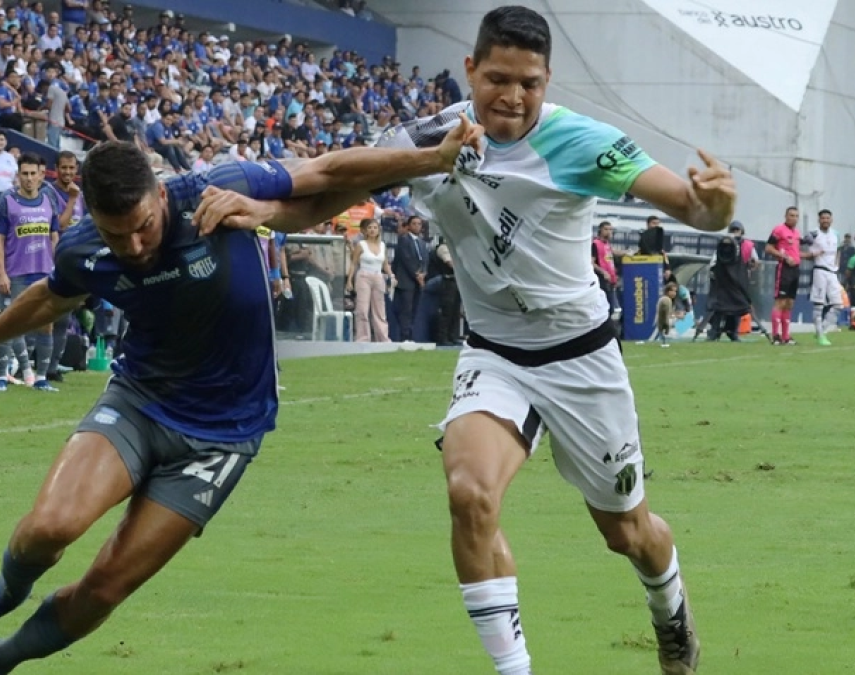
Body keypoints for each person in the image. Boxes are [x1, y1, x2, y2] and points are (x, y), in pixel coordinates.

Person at [192, 8, 730, 674]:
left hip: (581, 357)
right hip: (495, 353)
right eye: (498, 78)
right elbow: (333, 181)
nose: (513, 96)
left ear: (548, 80)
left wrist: (716, 206)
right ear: (470, 70)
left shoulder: (581, 142)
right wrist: (265, 212)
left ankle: (670, 612)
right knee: (470, 492)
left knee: (626, 531)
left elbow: (689, 205)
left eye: (529, 83)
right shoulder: (428, 140)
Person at [0, 126, 483, 675]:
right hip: (140, 402)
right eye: (118, 236)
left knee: (105, 587)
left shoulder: (214, 192)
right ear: (93, 219)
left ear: (160, 195)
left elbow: (327, 172)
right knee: (50, 527)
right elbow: (50, 299)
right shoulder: (83, 249)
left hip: (224, 434)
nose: (135, 246)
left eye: (143, 226)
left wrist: (436, 158)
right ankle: (4, 590)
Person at [0, 153, 59, 391]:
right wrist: (1, 272)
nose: (29, 179)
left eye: (33, 174)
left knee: (46, 324)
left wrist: (57, 267)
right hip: (16, 272)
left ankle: (41, 377)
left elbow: (54, 236)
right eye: (25, 174)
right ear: (18, 175)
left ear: (41, 175)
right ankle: (1, 376)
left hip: (43, 272)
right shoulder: (7, 201)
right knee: (9, 323)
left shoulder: (49, 200)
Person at [43, 151, 85, 381]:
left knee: (64, 317)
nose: (68, 172)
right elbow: (57, 225)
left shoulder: (80, 195)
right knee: (47, 316)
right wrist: (70, 200)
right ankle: (36, 363)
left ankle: (53, 366)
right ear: (56, 169)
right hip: (52, 259)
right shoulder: (49, 193)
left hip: (73, 261)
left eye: (72, 168)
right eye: (64, 168)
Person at [345, 217, 392, 342]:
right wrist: (349, 280)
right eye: (370, 228)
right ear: (365, 231)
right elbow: (354, 263)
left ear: (379, 230)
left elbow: (385, 264)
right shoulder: (361, 245)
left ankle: (383, 338)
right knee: (362, 309)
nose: (372, 230)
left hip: (378, 276)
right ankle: (363, 337)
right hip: (364, 275)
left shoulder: (382, 245)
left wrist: (391, 275)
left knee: (379, 310)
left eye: (375, 228)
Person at [764, 206, 801, 345]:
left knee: (790, 303)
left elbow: (796, 251)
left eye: (796, 216)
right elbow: (768, 248)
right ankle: (775, 335)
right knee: (780, 301)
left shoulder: (797, 233)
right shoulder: (779, 230)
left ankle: (786, 336)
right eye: (791, 215)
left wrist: (810, 255)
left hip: (795, 269)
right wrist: (784, 257)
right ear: (786, 216)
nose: (794, 218)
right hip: (784, 268)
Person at [806, 209, 843, 347]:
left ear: (831, 220)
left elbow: (838, 250)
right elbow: (804, 242)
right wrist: (813, 252)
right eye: (823, 218)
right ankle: (820, 334)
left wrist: (837, 264)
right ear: (819, 220)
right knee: (819, 304)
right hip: (820, 270)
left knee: (838, 305)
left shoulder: (836, 234)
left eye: (828, 218)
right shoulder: (814, 233)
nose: (825, 220)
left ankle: (822, 329)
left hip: (832, 272)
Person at [392, 214, 427, 341]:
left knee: (414, 310)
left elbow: (424, 260)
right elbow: (407, 259)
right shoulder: (404, 240)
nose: (417, 226)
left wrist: (423, 273)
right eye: (414, 224)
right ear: (408, 226)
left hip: (418, 282)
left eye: (419, 224)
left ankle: (411, 335)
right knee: (405, 310)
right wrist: (416, 275)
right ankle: (404, 336)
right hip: (406, 281)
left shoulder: (422, 242)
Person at [654, 282, 677, 347]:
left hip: (661, 323)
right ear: (667, 291)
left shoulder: (665, 299)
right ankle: (664, 339)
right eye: (672, 291)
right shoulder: (666, 300)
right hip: (663, 324)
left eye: (675, 291)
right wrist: (667, 327)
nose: (674, 293)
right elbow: (665, 316)